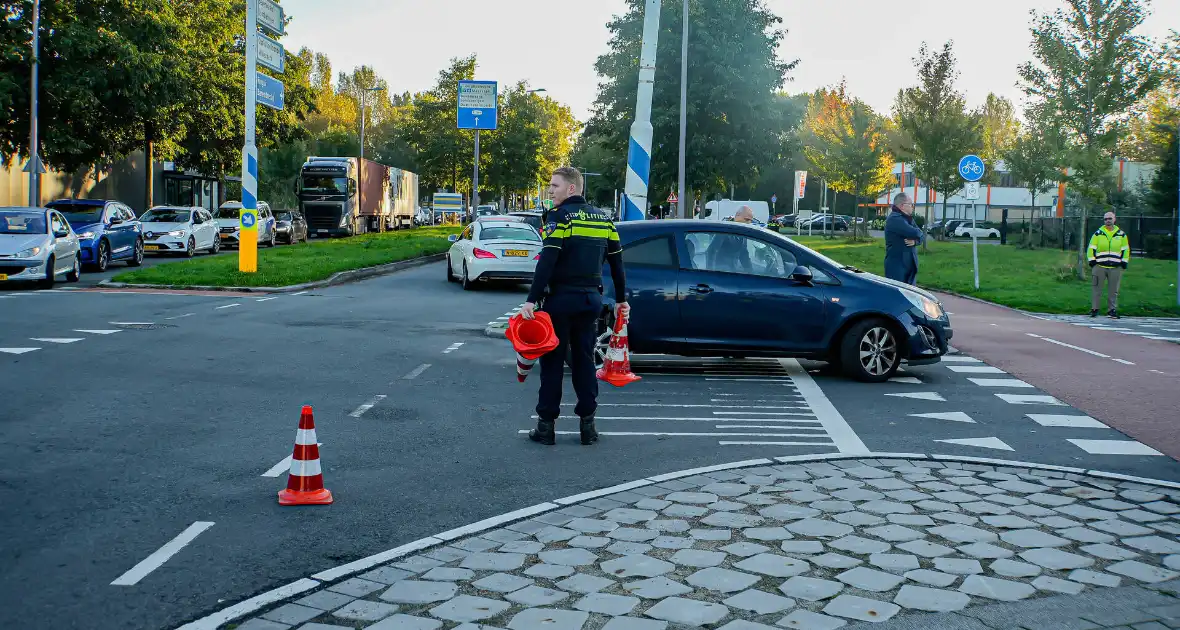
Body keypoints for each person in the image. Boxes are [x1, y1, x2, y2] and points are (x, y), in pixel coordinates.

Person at [520, 167, 629, 446]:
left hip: (561, 301)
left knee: (553, 364)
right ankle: (588, 427)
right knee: (583, 361)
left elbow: (548, 260)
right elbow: (617, 263)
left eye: (554, 186)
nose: (550, 190)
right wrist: (621, 300)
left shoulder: (560, 217)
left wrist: (531, 300)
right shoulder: (603, 220)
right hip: (590, 301)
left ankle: (546, 428)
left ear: (571, 188)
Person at [1088, 211, 1130, 319]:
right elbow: (1091, 248)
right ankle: (1094, 309)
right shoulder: (1098, 233)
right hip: (1099, 267)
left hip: (1115, 267)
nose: (1107, 221)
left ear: (1114, 219)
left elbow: (1125, 249)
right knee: (1096, 288)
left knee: (1113, 290)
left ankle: (1112, 310)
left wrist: (1124, 262)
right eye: (1105, 219)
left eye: (1110, 218)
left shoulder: (1121, 234)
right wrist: (1092, 261)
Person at [884, 193, 923, 285]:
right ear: (902, 206)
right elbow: (916, 232)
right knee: (897, 295)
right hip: (898, 267)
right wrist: (918, 234)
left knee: (910, 295)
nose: (912, 207)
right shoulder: (894, 219)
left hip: (909, 265)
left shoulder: (908, 219)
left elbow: (921, 235)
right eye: (910, 204)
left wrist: (915, 242)